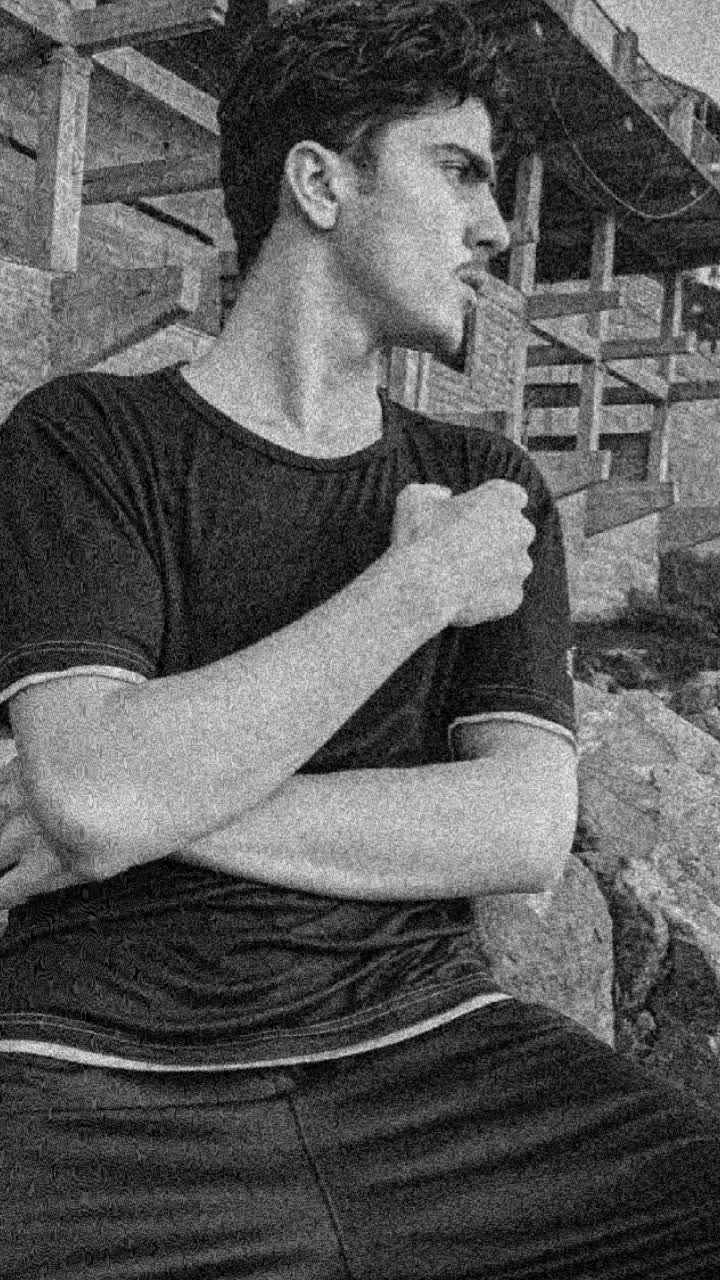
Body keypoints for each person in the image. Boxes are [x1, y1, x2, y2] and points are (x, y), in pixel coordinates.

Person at [0, 1, 719, 1275]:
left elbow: (520, 825)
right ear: (321, 184)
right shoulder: (85, 437)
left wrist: (134, 801)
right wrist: (416, 584)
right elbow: (101, 789)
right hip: (97, 1075)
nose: (497, 229)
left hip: (436, 1062)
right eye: (459, 172)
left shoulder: (488, 482)